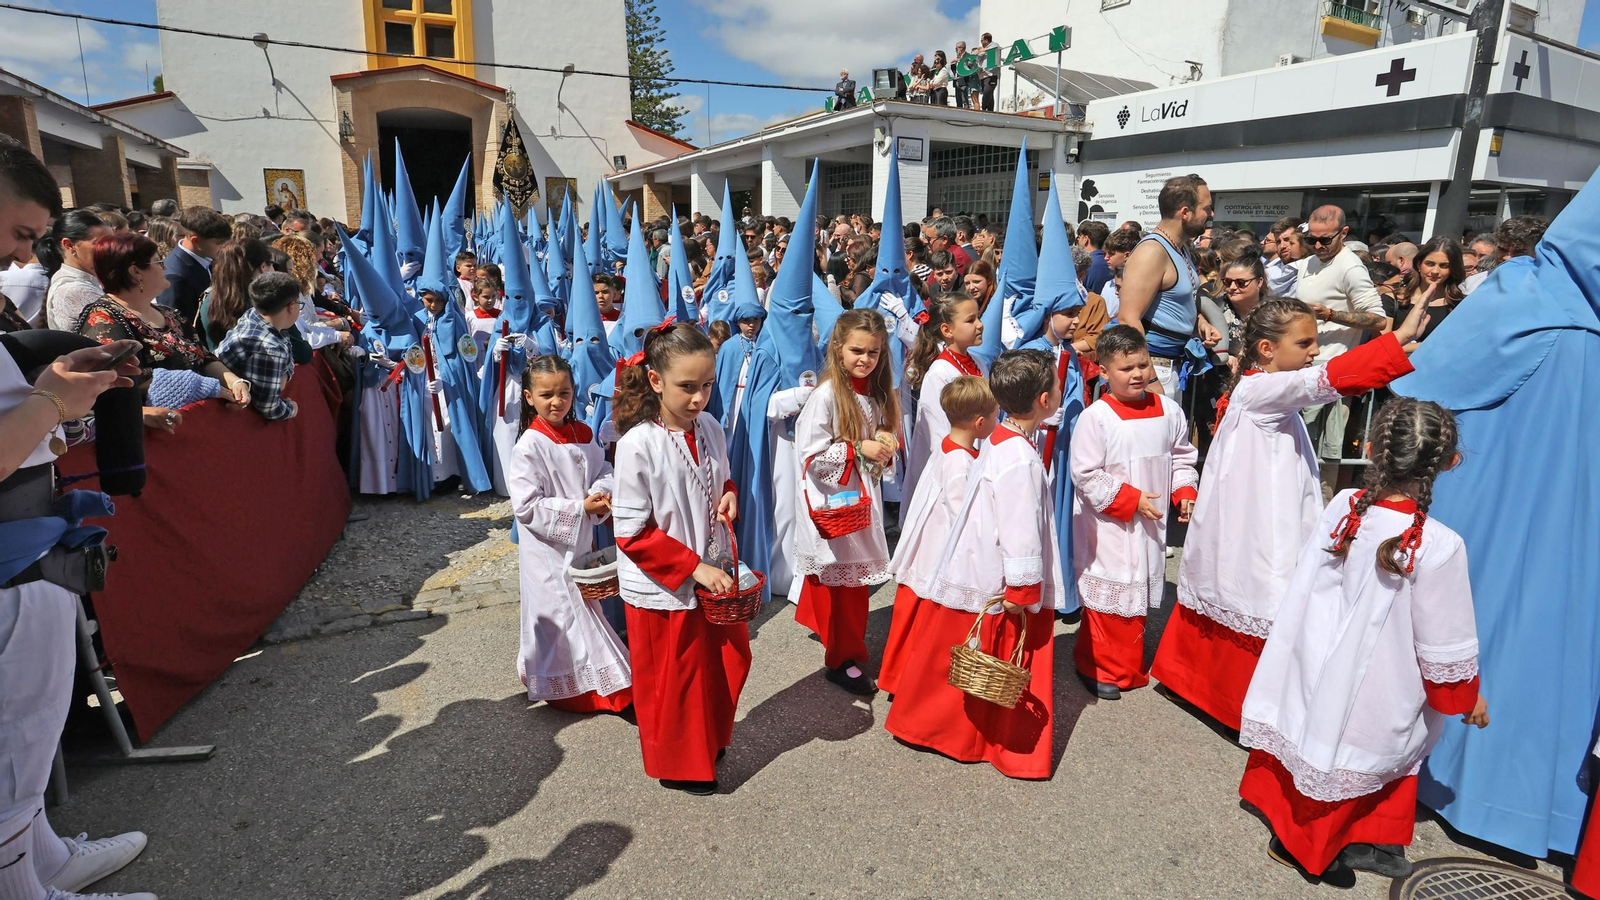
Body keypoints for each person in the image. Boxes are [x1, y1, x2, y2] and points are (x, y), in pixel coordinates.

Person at [0, 131, 161, 900]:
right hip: (7, 554)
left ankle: (45, 860)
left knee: (31, 736)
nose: (21, 259)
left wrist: (63, 393)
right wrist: (49, 400)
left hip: (29, 540)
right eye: (18, 234)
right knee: (13, 744)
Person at [1150, 299, 1429, 731]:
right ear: (1266, 347)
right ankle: (1230, 700)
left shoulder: (1262, 385)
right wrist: (1393, 342)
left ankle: (1194, 683)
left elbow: (1320, 375)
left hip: (1256, 504)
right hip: (1259, 515)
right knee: (1259, 587)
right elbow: (1326, 380)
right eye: (1305, 342)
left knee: (1240, 582)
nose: (1315, 350)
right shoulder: (1262, 390)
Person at [1239, 398, 1488, 882]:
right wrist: (1464, 694)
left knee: (1328, 739)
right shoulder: (1438, 543)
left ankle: (1364, 838)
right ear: (1450, 463)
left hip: (1316, 653)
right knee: (1358, 747)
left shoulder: (1345, 505)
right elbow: (1444, 635)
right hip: (1377, 675)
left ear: (1371, 449)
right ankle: (1306, 843)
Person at [884, 350, 1062, 778]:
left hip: (972, 563)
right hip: (995, 575)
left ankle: (925, 724)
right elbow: (1019, 525)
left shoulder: (999, 437)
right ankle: (983, 742)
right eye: (1056, 386)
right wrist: (1022, 588)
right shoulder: (1018, 456)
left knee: (950, 657)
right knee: (986, 659)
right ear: (1044, 399)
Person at [611, 322, 746, 795]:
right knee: (675, 678)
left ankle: (707, 739)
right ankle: (679, 762)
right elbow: (631, 532)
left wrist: (728, 494)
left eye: (707, 385)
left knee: (719, 662)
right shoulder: (637, 445)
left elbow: (721, 477)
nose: (698, 399)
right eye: (687, 387)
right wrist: (694, 568)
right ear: (655, 381)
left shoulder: (708, 426)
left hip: (708, 572)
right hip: (663, 583)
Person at [1069, 326, 1198, 699]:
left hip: (1150, 522)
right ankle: (1095, 664)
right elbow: (1085, 473)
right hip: (1110, 523)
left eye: (1142, 365)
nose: (1138, 374)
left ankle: (1127, 665)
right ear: (1105, 372)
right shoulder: (1097, 417)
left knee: (1135, 596)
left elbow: (1182, 455)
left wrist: (1184, 491)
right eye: (1126, 369)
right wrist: (1129, 499)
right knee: (1110, 595)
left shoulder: (1169, 410)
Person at [509, 354, 632, 713]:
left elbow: (603, 469)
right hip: (546, 550)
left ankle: (592, 682)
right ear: (529, 397)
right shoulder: (529, 446)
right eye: (546, 394)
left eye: (564, 392)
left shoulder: (582, 434)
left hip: (578, 540)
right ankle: (578, 688)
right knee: (562, 613)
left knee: (583, 607)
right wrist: (580, 508)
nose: (557, 401)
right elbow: (527, 506)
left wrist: (603, 492)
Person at [792, 309, 898, 695]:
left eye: (873, 352)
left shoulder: (874, 392)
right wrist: (856, 447)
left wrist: (884, 442)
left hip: (859, 496)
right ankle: (841, 659)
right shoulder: (825, 397)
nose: (865, 359)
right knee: (843, 586)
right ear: (838, 350)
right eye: (857, 350)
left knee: (848, 581)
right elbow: (809, 456)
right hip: (834, 501)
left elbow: (878, 431)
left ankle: (832, 636)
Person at [880, 375, 994, 694]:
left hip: (926, 546)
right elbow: (963, 518)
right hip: (938, 552)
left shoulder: (950, 447)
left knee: (911, 616)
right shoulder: (961, 462)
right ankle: (906, 681)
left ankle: (897, 678)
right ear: (980, 422)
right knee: (922, 620)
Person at [77, 232, 250, 406]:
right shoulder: (103, 318)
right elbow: (121, 379)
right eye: (159, 262)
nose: (165, 267)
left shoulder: (171, 314)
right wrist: (203, 386)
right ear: (135, 272)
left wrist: (235, 383)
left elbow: (204, 358)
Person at [1292, 206, 1391, 499]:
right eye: (1312, 240)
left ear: (1344, 233)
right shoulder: (1308, 263)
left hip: (1332, 375)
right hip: (1300, 373)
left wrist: (1331, 313)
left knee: (1322, 458)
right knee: (1296, 453)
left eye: (1326, 240)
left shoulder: (1350, 266)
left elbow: (1378, 318)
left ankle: (1318, 522)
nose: (1319, 246)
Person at [1116, 174, 1222, 395]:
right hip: (1156, 369)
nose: (1211, 214)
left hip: (1171, 367)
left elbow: (1174, 302)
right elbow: (1128, 318)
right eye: (1206, 208)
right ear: (1185, 212)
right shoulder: (1152, 251)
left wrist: (1199, 323)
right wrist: (1150, 378)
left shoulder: (1179, 248)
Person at [902, 293, 985, 508]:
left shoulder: (978, 363)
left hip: (977, 459)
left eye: (978, 317)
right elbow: (939, 435)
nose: (980, 325)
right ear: (947, 330)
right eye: (970, 320)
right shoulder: (940, 374)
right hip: (953, 468)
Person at [216, 271, 301, 421]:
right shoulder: (271, 349)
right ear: (291, 306)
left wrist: (285, 373)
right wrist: (291, 408)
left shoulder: (252, 315)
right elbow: (269, 408)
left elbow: (286, 347)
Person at [157, 205, 232, 334]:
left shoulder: (208, 257)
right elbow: (177, 327)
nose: (225, 247)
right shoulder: (175, 276)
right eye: (219, 244)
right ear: (195, 240)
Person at [199, 239, 272, 351]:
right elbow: (300, 350)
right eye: (271, 265)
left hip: (220, 366)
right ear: (262, 267)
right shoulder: (264, 300)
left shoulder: (210, 299)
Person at [42, 209, 109, 332]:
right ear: (69, 245)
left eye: (111, 242)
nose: (109, 248)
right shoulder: (76, 290)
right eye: (99, 243)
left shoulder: (86, 280)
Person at [1392, 237, 1465, 349]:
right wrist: (1430, 346)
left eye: (1444, 266)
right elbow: (1381, 346)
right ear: (1418, 264)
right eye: (1430, 264)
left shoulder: (1461, 304)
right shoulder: (1393, 298)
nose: (1435, 271)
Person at [1265, 217, 1304, 298]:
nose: (1282, 246)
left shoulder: (1312, 270)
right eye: (1278, 241)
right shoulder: (1267, 274)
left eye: (1287, 240)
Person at [1078, 220, 1113, 294]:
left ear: (1086, 239)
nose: (1078, 239)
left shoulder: (1084, 264)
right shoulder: (1112, 262)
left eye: (1080, 236)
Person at [976, 33, 1000, 110]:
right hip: (982, 76)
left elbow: (995, 47)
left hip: (991, 75)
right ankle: (990, 111)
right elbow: (977, 57)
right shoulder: (982, 50)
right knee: (989, 94)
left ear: (986, 40)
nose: (981, 42)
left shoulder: (993, 45)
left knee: (987, 93)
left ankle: (983, 109)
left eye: (982, 40)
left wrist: (982, 50)